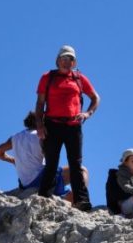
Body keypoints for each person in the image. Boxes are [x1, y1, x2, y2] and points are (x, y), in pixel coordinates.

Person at [34, 45, 100, 211]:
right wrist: (40, 125)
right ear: (57, 61)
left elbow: (95, 98)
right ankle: (44, 198)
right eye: (63, 59)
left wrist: (87, 114)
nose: (66, 62)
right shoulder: (47, 77)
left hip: (73, 126)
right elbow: (40, 103)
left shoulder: (79, 78)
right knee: (51, 162)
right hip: (52, 124)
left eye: (70, 59)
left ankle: (81, 201)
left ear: (74, 62)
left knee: (75, 164)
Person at [0, 111, 88, 202]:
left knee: (69, 193)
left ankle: (69, 198)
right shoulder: (41, 136)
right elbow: (51, 160)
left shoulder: (15, 138)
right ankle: (82, 199)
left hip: (25, 184)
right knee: (81, 170)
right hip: (41, 179)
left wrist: (13, 160)